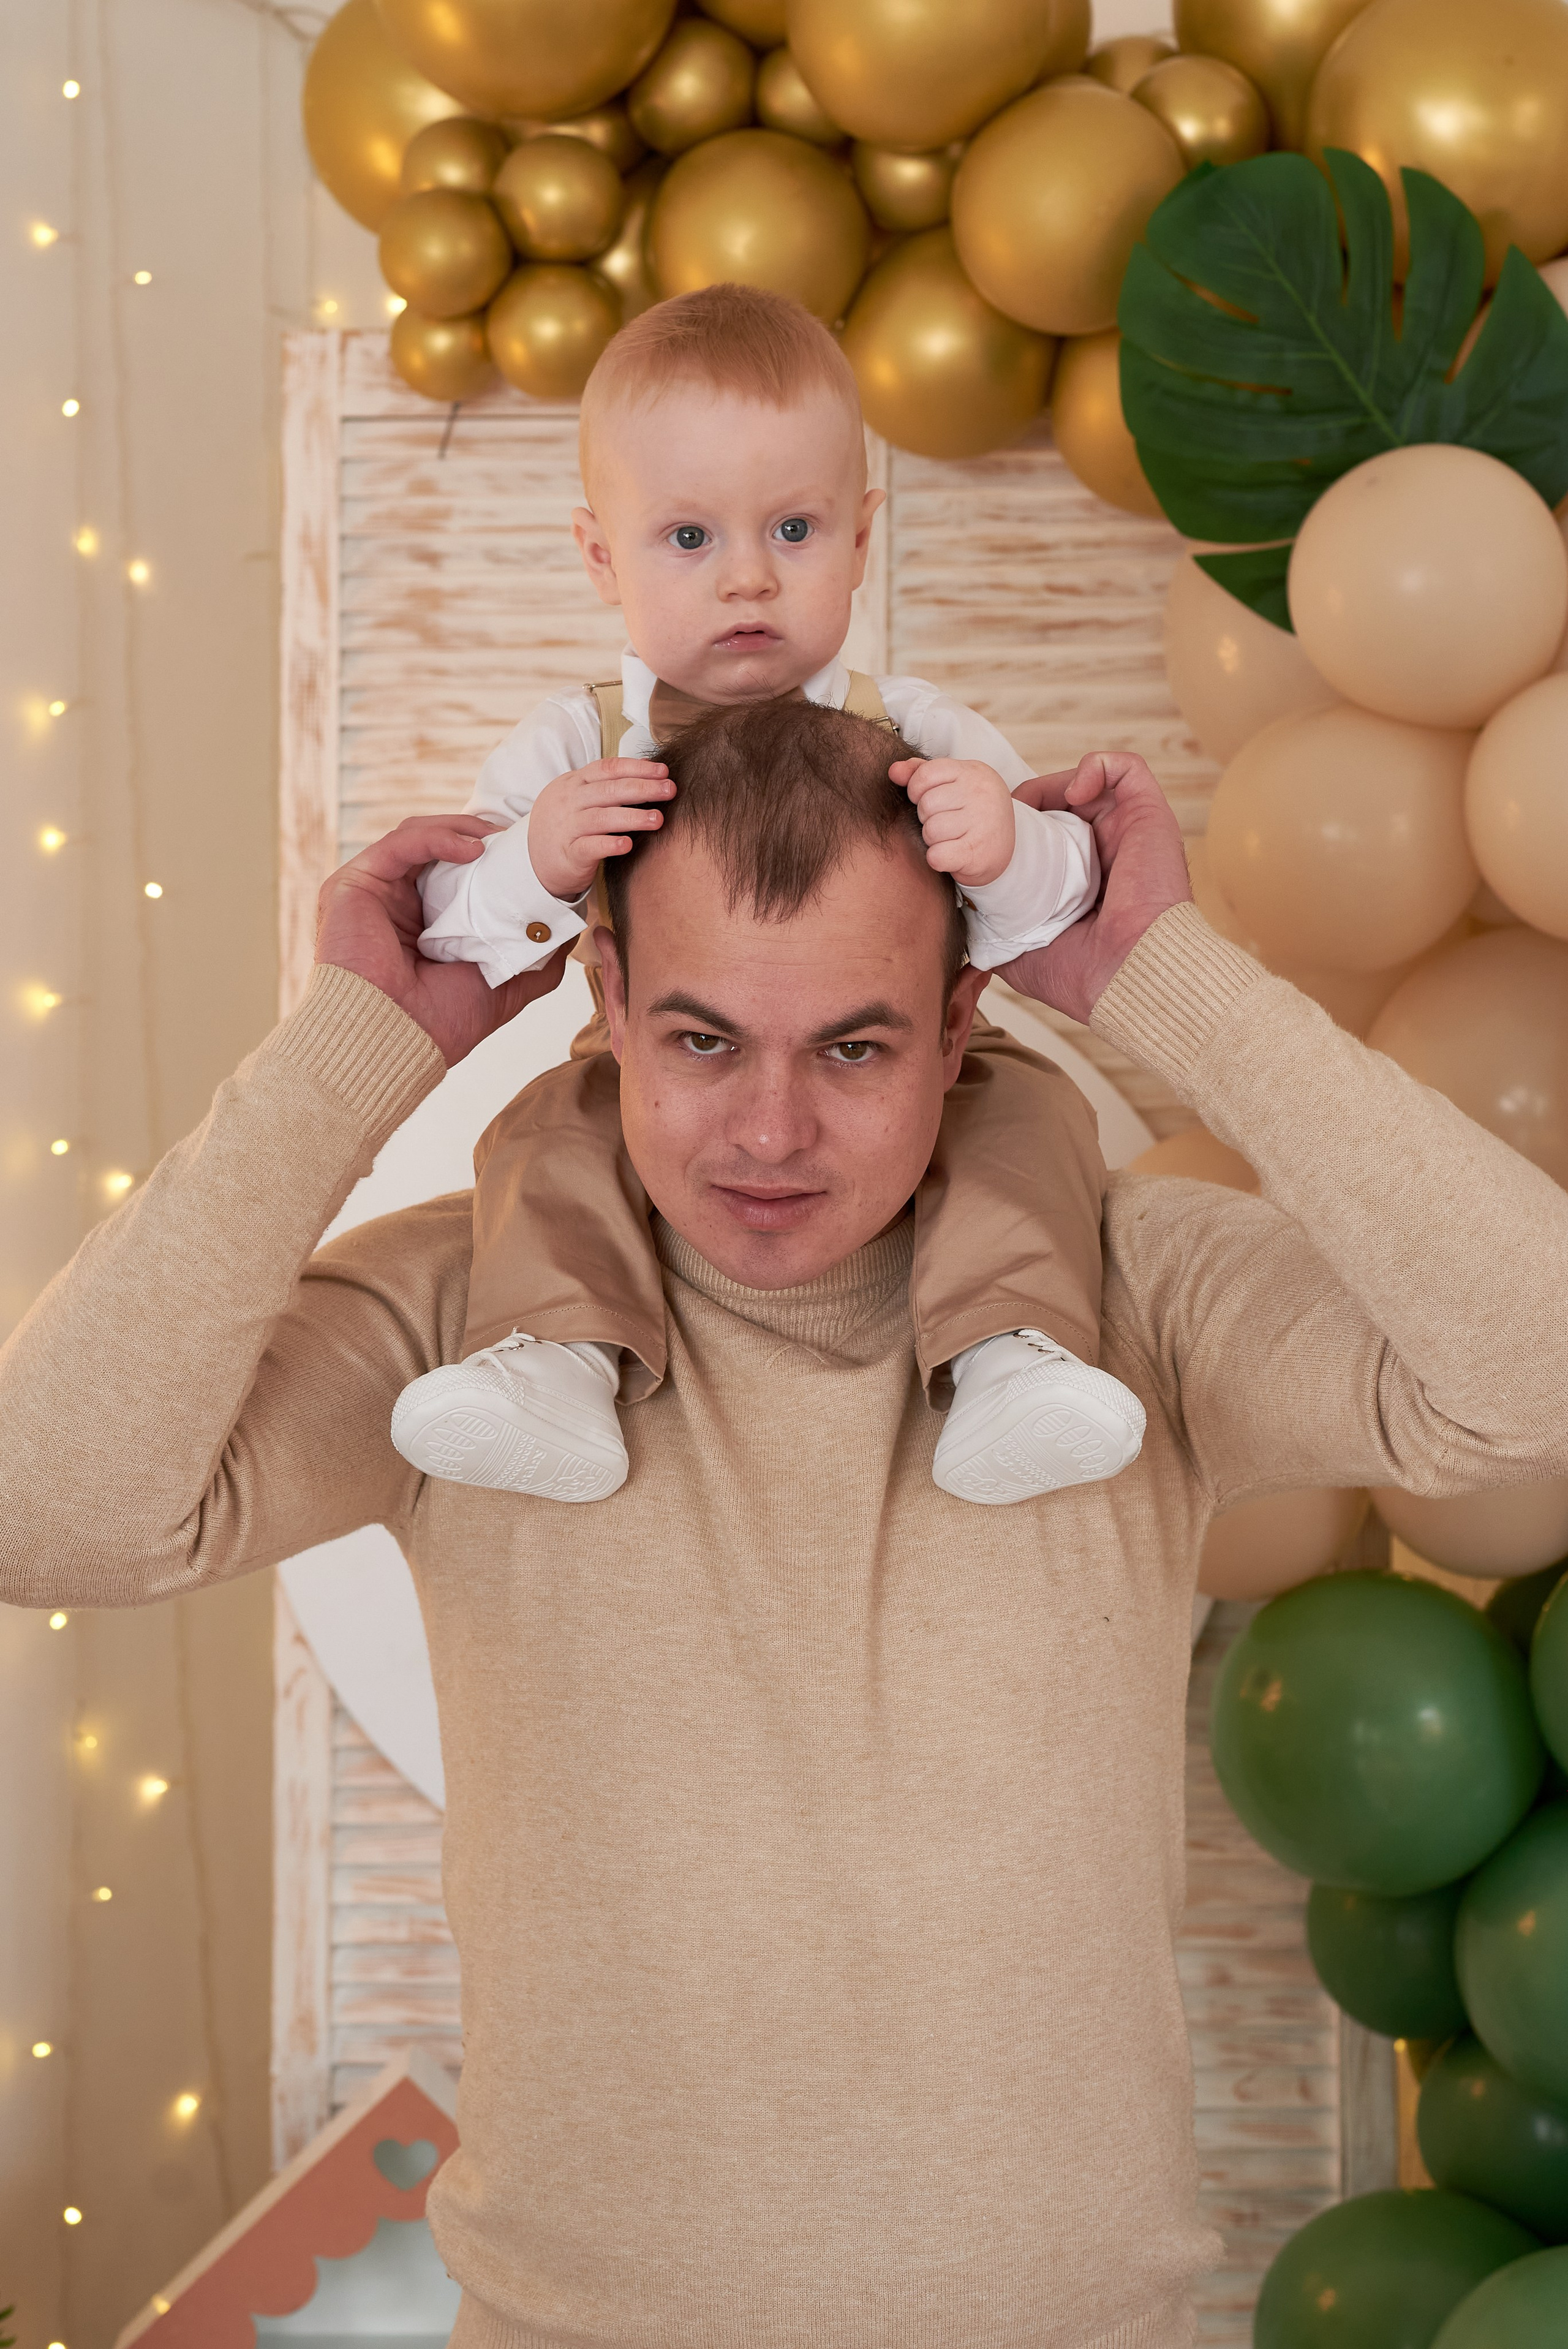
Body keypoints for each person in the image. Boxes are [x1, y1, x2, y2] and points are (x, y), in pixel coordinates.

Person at [4, 704, 1567, 2349]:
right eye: (699, 1041)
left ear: (964, 1023)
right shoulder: (470, 1329)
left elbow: (1533, 1374)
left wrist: (1161, 976)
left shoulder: (1130, 1299)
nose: (768, 1132)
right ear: (603, 1004)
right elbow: (50, 1512)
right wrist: (362, 1040)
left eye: (853, 1046)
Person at [394, 282, 1145, 1509]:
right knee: (543, 1140)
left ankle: (1013, 1358)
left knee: (1028, 1125)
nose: (746, 580)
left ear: (860, 536)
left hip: (912, 1057)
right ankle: (558, 1362)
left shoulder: (915, 729)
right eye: (690, 540)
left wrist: (1009, 847)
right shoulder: (576, 745)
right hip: (653, 1058)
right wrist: (532, 863)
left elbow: (1064, 897)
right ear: (601, 556)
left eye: (791, 533)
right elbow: (449, 926)